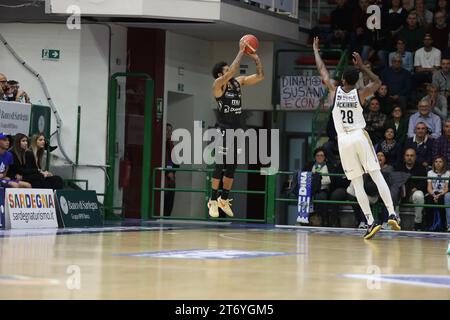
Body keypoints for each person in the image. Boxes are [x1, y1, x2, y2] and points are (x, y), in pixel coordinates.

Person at [313, 36, 401, 240]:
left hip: (343, 141)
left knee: (357, 183)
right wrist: (363, 67)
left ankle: (370, 222)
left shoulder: (334, 92)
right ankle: (391, 213)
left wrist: (316, 51)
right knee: (377, 175)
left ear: (342, 79)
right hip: (359, 136)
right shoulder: (360, 94)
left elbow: (323, 71)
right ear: (355, 80)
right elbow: (378, 82)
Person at [207, 39, 264, 218]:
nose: (230, 71)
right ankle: (213, 199)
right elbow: (231, 71)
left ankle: (224, 199)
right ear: (219, 73)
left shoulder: (238, 82)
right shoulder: (218, 85)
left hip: (237, 129)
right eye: (225, 69)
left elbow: (260, 76)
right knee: (219, 164)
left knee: (232, 167)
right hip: (223, 128)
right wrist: (241, 51)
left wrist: (256, 58)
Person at [424, 155, 449, 230]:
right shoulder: (430, 173)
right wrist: (434, 195)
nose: (438, 163)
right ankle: (429, 224)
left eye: (440, 162)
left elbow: (446, 188)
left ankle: (442, 225)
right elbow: (429, 187)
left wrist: (439, 195)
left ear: (443, 163)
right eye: (436, 162)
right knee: (428, 200)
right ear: (433, 163)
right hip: (433, 192)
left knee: (442, 201)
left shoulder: (447, 173)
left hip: (442, 193)